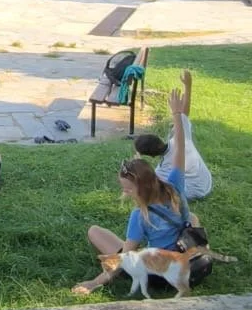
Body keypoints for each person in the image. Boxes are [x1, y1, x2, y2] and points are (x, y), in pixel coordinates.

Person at [72, 87, 200, 296]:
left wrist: (94, 282)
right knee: (192, 217)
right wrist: (178, 115)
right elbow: (180, 147)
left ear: (142, 187)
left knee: (95, 231)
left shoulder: (140, 217)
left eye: (128, 189)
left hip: (161, 278)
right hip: (189, 268)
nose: (125, 193)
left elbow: (125, 258)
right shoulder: (175, 186)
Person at [134, 68, 212, 200]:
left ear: (152, 156)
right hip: (206, 181)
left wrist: (138, 162)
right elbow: (184, 115)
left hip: (195, 191)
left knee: (162, 192)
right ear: (159, 139)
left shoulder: (162, 171)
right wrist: (188, 86)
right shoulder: (180, 139)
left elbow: (147, 184)